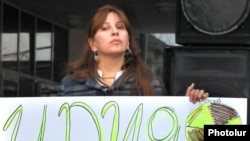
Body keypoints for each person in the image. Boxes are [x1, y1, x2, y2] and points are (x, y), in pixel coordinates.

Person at [57, 4, 209, 104]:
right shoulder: (70, 85)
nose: (115, 32)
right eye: (105, 28)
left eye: (120, 27)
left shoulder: (149, 83)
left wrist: (188, 105)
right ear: (92, 44)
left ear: (128, 40)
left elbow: (162, 128)